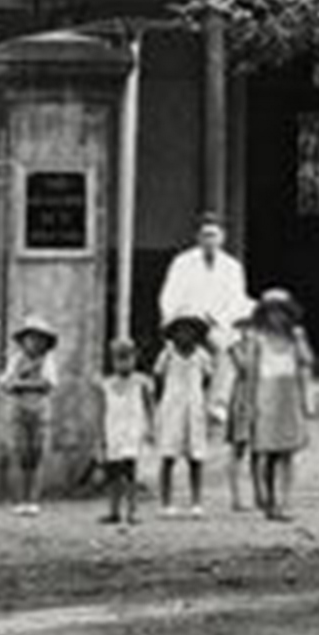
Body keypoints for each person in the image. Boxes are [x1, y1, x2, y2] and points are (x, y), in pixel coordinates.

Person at [241, 287, 315, 520]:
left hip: (288, 396)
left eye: (281, 312)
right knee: (265, 454)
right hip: (266, 396)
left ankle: (285, 500)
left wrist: (300, 338)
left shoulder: (295, 338)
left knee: (287, 454)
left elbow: (307, 362)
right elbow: (251, 373)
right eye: (272, 312)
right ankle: (266, 498)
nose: (277, 317)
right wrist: (249, 403)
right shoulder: (258, 339)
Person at [156, 214, 254, 355]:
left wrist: (216, 320)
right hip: (188, 328)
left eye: (213, 235)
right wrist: (180, 319)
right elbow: (168, 297)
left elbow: (237, 300)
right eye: (205, 235)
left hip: (220, 330)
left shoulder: (233, 267)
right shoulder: (182, 263)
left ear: (222, 237)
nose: (209, 240)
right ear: (198, 238)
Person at [152, 315, 215, 516]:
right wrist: (164, 402)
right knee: (168, 456)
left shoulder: (201, 356)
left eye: (190, 330)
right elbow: (158, 378)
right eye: (180, 330)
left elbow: (207, 379)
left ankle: (196, 501)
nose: (185, 335)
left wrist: (199, 400)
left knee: (195, 457)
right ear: (172, 334)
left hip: (194, 409)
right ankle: (166, 502)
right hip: (172, 408)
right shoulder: (168, 355)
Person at [0, 314, 59, 515]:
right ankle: (19, 499)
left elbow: (49, 384)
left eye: (39, 339)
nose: (34, 343)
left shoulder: (47, 361)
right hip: (19, 411)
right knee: (20, 454)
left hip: (40, 413)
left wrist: (20, 384)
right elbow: (5, 383)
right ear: (23, 341)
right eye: (30, 338)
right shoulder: (16, 360)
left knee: (36, 455)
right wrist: (26, 385)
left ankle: (33, 499)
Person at [95, 335, 154, 526]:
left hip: (133, 432)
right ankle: (113, 510)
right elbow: (102, 410)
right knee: (113, 473)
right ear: (112, 360)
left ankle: (132, 511)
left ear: (135, 358)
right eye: (119, 358)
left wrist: (151, 428)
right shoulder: (106, 385)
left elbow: (149, 406)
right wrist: (101, 435)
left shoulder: (141, 383)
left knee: (130, 473)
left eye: (127, 357)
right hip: (113, 432)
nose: (124, 363)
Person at [212, 310, 258, 511]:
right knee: (238, 450)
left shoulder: (262, 347)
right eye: (245, 326)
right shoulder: (236, 348)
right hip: (243, 399)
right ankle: (237, 498)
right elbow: (245, 368)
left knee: (260, 451)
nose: (249, 330)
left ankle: (260, 495)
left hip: (261, 398)